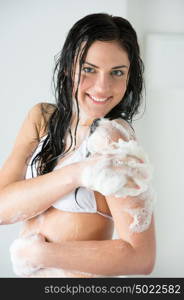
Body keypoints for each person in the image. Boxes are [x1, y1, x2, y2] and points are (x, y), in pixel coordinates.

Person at [0, 13, 156, 278]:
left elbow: (141, 258)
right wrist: (77, 174)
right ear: (67, 66)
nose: (102, 86)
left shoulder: (113, 140)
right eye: (88, 69)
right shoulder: (41, 119)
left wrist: (39, 254)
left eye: (117, 72)